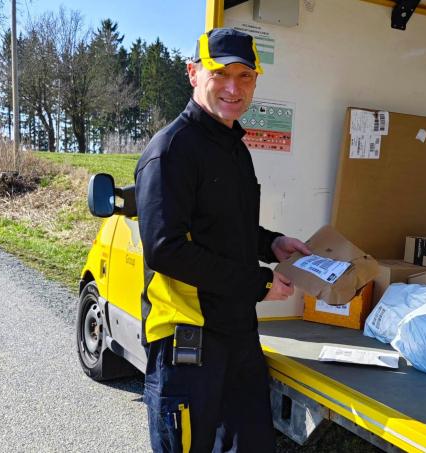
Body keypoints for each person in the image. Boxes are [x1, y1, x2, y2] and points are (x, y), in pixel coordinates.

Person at [134, 27, 311, 453]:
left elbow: (225, 228)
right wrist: (258, 283)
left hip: (237, 337)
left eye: (245, 76)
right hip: (188, 343)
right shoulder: (172, 149)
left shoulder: (232, 146)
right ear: (193, 73)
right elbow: (166, 249)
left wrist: (270, 243)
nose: (234, 88)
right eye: (221, 74)